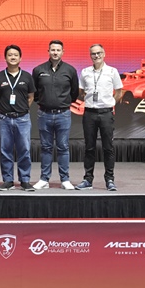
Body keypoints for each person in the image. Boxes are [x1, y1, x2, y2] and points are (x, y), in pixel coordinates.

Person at [32, 40, 79, 190]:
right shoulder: (38, 70)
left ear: (63, 52)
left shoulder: (70, 70)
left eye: (58, 50)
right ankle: (44, 179)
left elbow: (74, 93)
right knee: (46, 147)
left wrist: (62, 103)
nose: (55, 52)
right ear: (48, 51)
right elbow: (35, 92)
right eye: (52, 50)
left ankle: (65, 179)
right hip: (44, 114)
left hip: (63, 114)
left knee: (63, 147)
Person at [76, 44, 123, 191]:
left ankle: (110, 180)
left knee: (108, 148)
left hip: (106, 113)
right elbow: (81, 91)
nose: (96, 56)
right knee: (89, 147)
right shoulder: (85, 72)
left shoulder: (112, 71)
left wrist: (110, 103)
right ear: (90, 55)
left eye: (99, 53)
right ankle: (87, 179)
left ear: (104, 54)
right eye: (93, 54)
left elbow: (119, 92)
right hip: (89, 113)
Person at [0, 45, 36, 191]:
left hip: (22, 119)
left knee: (24, 150)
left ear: (20, 58)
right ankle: (8, 180)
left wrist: (21, 109)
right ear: (5, 58)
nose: (13, 57)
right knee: (5, 150)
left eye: (15, 55)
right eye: (10, 55)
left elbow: (31, 97)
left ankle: (25, 180)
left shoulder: (27, 76)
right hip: (4, 119)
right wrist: (4, 110)